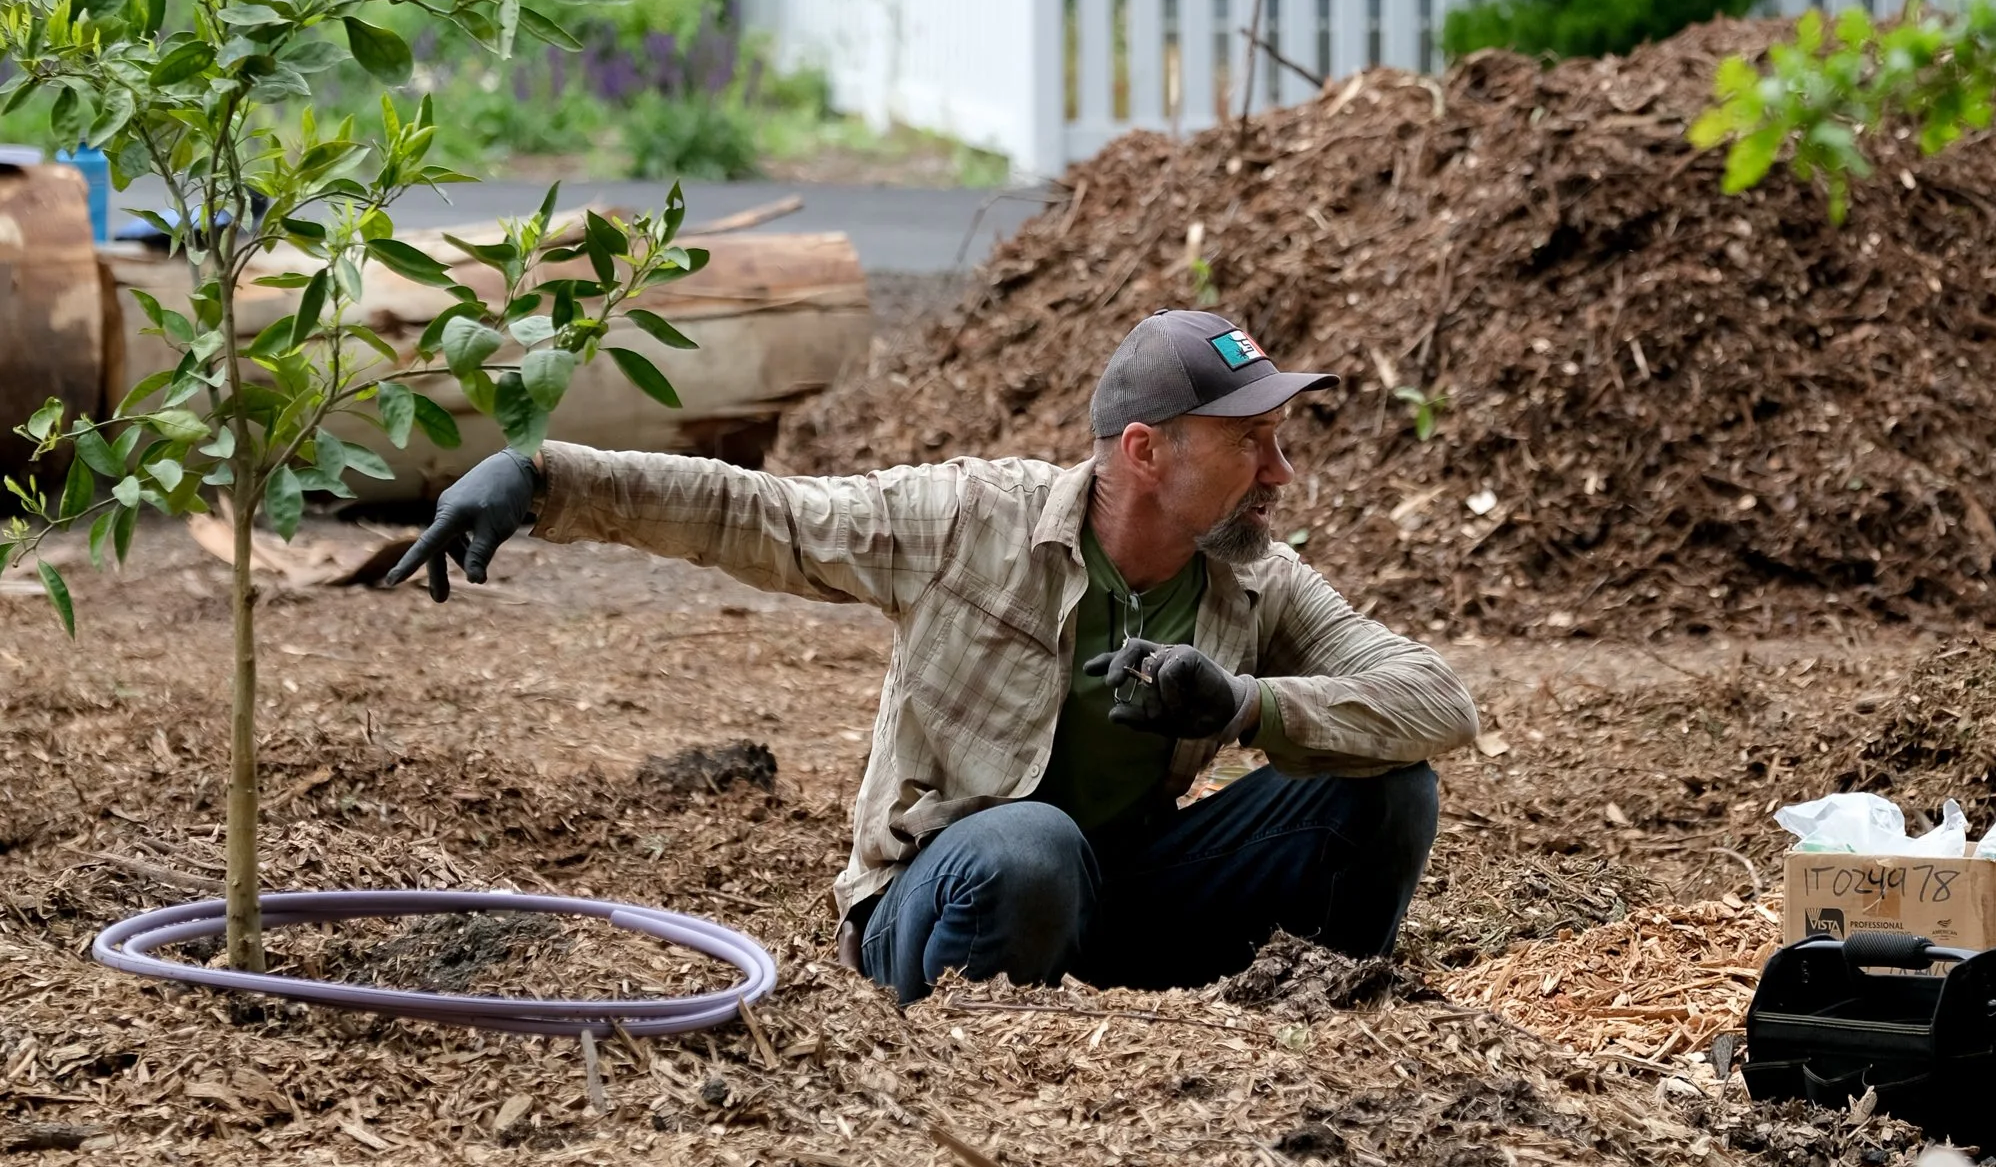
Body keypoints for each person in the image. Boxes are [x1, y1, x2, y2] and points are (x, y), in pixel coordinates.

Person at [385, 307, 1478, 1004]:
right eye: (1251, 443)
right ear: (1146, 452)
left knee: (1386, 793)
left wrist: (1242, 706)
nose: (1278, 473)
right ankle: (974, 1052)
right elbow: (760, 515)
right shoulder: (966, 520)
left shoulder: (1250, 579)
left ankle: (1317, 1023)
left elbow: (1433, 699)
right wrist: (539, 479)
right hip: (950, 894)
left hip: (1128, 901)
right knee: (1029, 847)